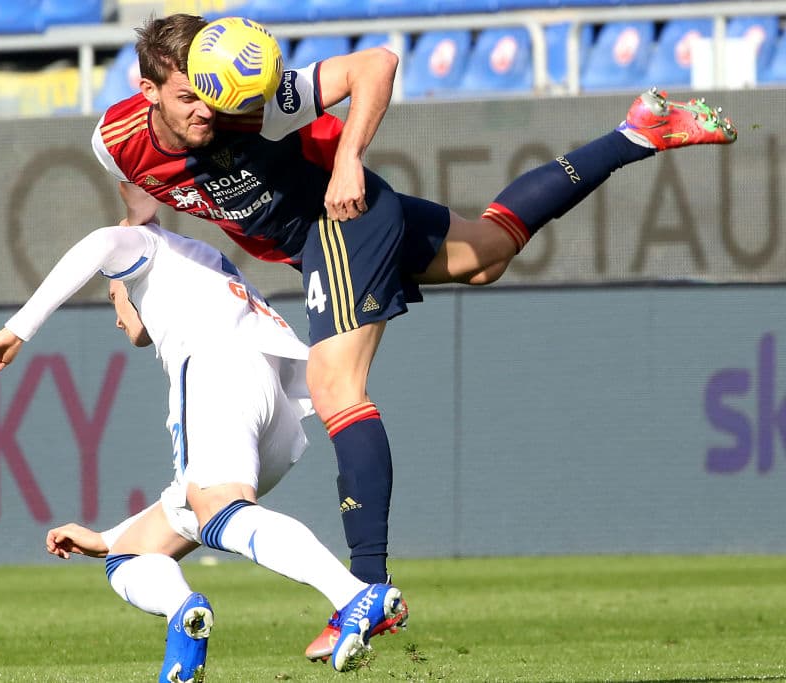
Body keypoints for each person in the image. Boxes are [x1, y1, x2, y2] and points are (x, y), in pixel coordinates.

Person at [89, 12, 738, 661]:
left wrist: (348, 159)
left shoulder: (255, 104)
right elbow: (140, 205)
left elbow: (375, 63)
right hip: (327, 234)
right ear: (149, 93)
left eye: (213, 89)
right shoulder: (115, 141)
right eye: (189, 95)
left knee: (334, 385)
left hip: (337, 221)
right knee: (488, 253)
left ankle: (365, 590)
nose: (208, 107)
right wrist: (130, 271)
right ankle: (638, 132)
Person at [0, 223, 405, 677]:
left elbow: (102, 242)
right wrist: (106, 538)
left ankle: (355, 595)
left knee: (219, 507)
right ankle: (183, 620)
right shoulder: (204, 272)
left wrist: (16, 331)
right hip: (272, 413)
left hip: (220, 371)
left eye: (113, 298)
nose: (117, 316)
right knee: (130, 555)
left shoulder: (151, 246)